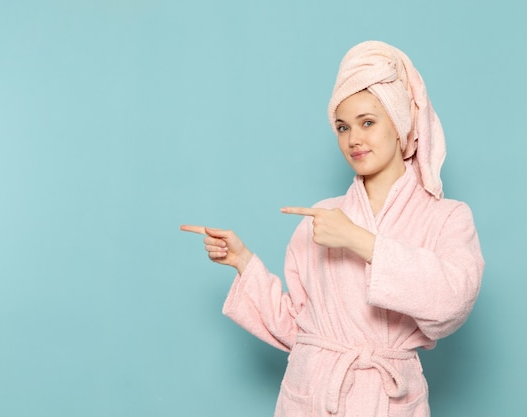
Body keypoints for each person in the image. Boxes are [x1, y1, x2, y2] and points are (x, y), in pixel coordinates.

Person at [180, 40, 484, 417]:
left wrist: (358, 240)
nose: (353, 139)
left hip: (389, 399)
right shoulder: (322, 216)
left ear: (399, 123)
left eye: (368, 122)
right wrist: (244, 262)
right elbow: (298, 329)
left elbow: (452, 303)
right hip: (311, 396)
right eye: (342, 127)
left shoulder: (447, 216)